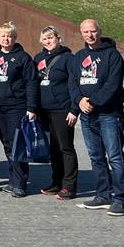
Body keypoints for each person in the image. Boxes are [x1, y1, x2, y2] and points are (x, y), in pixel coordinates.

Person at [70, 18, 124, 215]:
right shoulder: (78, 56)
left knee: (115, 156)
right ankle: (103, 195)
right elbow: (72, 83)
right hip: (87, 116)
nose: (90, 35)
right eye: (86, 32)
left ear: (99, 31)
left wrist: (92, 101)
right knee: (96, 157)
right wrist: (79, 101)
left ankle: (120, 198)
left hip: (108, 114)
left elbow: (113, 85)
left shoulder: (112, 55)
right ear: (81, 33)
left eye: (93, 31)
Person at [0, 22, 38, 198]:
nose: (6, 39)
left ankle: (20, 183)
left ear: (15, 38)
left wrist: (31, 107)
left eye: (9, 36)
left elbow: (31, 83)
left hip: (16, 106)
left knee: (18, 144)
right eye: (3, 36)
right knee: (7, 144)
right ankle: (12, 179)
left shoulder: (22, 57)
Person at [33, 26, 78, 200]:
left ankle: (69, 186)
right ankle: (56, 182)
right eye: (44, 39)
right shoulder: (38, 58)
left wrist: (74, 110)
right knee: (53, 149)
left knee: (65, 147)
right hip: (45, 111)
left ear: (58, 38)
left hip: (62, 110)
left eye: (50, 38)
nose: (47, 41)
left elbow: (74, 85)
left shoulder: (68, 59)